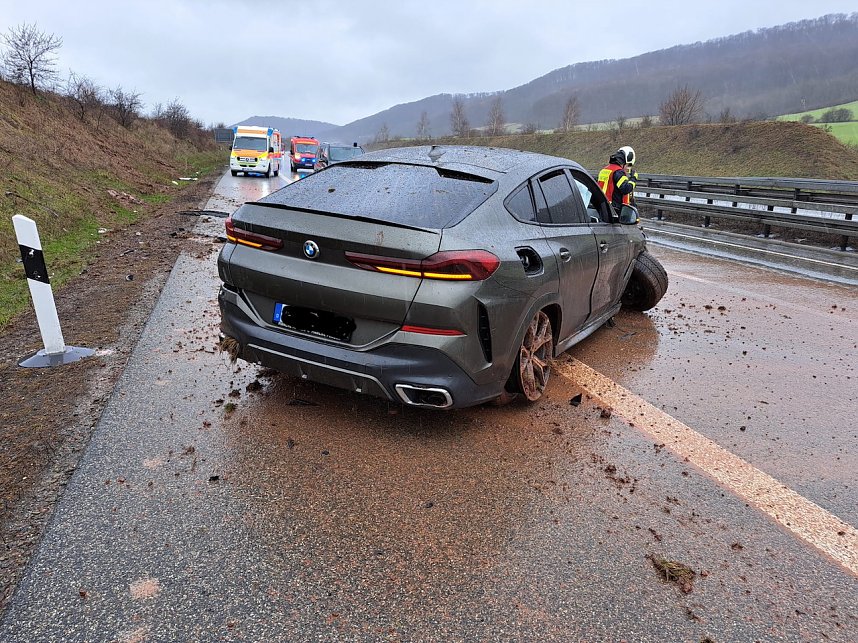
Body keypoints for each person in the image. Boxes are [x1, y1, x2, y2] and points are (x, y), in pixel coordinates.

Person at [597, 146, 637, 211]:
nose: (628, 168)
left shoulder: (605, 170)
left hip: (602, 207)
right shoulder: (618, 172)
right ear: (624, 162)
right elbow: (626, 189)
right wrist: (633, 178)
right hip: (614, 209)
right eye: (629, 165)